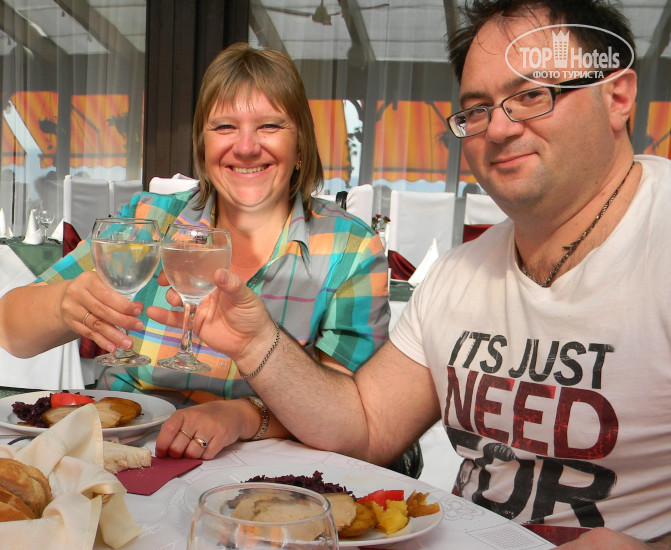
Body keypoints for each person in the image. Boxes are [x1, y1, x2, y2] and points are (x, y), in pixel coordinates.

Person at [148, 1, 671, 548]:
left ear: (616, 96)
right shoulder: (459, 274)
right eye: (477, 110)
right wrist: (258, 343)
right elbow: (366, 426)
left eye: (532, 95)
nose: (498, 128)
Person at [0, 43, 390, 460]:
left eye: (269, 126)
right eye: (224, 127)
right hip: (123, 453)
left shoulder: (350, 248)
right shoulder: (150, 218)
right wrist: (63, 304)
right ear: (202, 144)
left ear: (300, 144)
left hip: (262, 467)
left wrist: (245, 415)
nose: (245, 147)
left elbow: (350, 418)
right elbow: (10, 331)